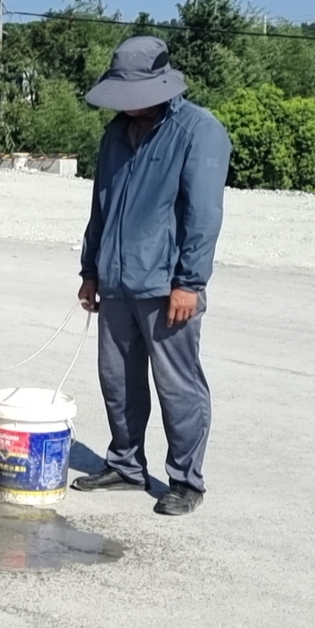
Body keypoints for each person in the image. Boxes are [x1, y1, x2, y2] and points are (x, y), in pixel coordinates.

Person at [71, 36, 229, 516]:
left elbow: (203, 216)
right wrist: (90, 269)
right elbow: (102, 206)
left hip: (167, 286)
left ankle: (186, 478)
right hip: (115, 280)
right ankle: (125, 464)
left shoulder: (199, 131)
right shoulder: (115, 135)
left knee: (177, 384)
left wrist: (190, 282)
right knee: (117, 379)